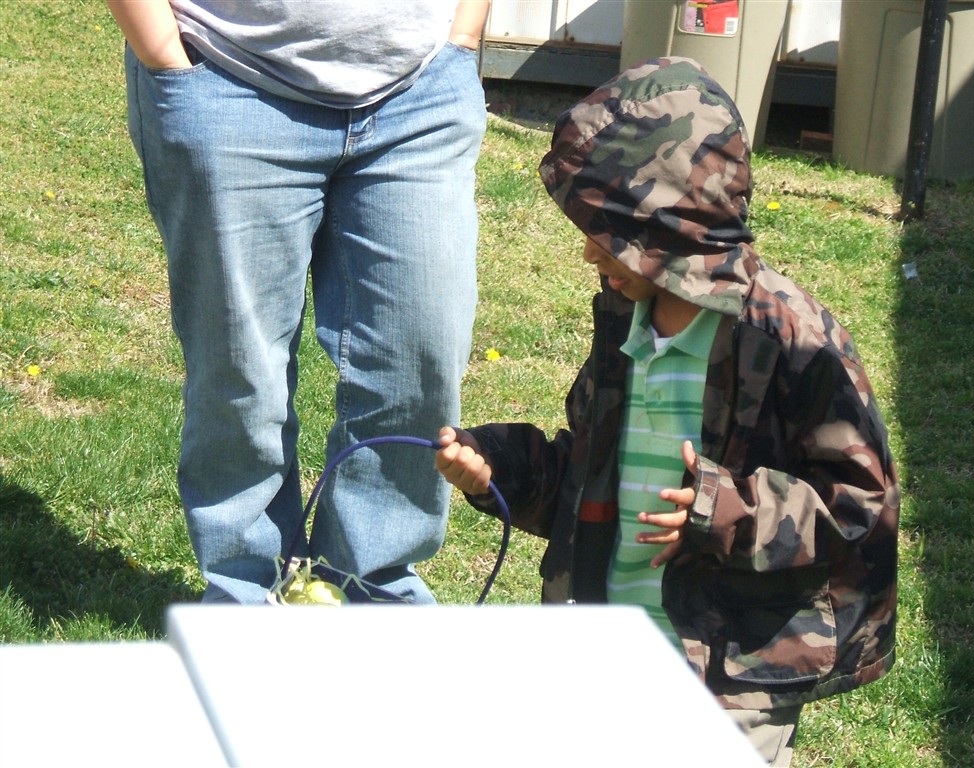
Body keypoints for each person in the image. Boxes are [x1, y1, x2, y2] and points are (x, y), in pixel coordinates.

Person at [436, 57, 899, 766]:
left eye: (609, 235)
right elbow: (589, 477)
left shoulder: (788, 337)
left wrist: (728, 511)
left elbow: (860, 505)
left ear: (672, 229)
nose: (589, 254)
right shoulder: (626, 319)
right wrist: (498, 469)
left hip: (734, 669)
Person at [107, 0, 491, 604]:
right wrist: (164, 54)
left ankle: (372, 590)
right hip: (229, 78)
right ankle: (250, 592)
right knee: (240, 373)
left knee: (419, 357)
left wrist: (463, 35)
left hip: (420, 92)